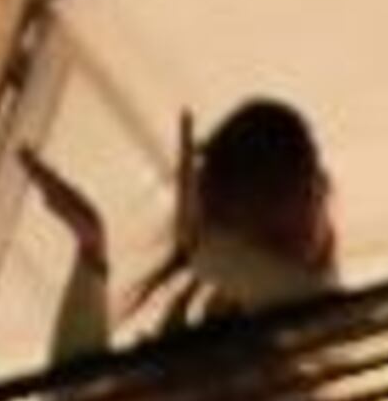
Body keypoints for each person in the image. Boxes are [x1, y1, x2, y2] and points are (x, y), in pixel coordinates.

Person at [19, 99, 340, 364]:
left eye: (312, 189)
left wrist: (200, 247)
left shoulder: (318, 337)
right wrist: (91, 247)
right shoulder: (201, 330)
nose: (314, 205)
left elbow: (321, 318)